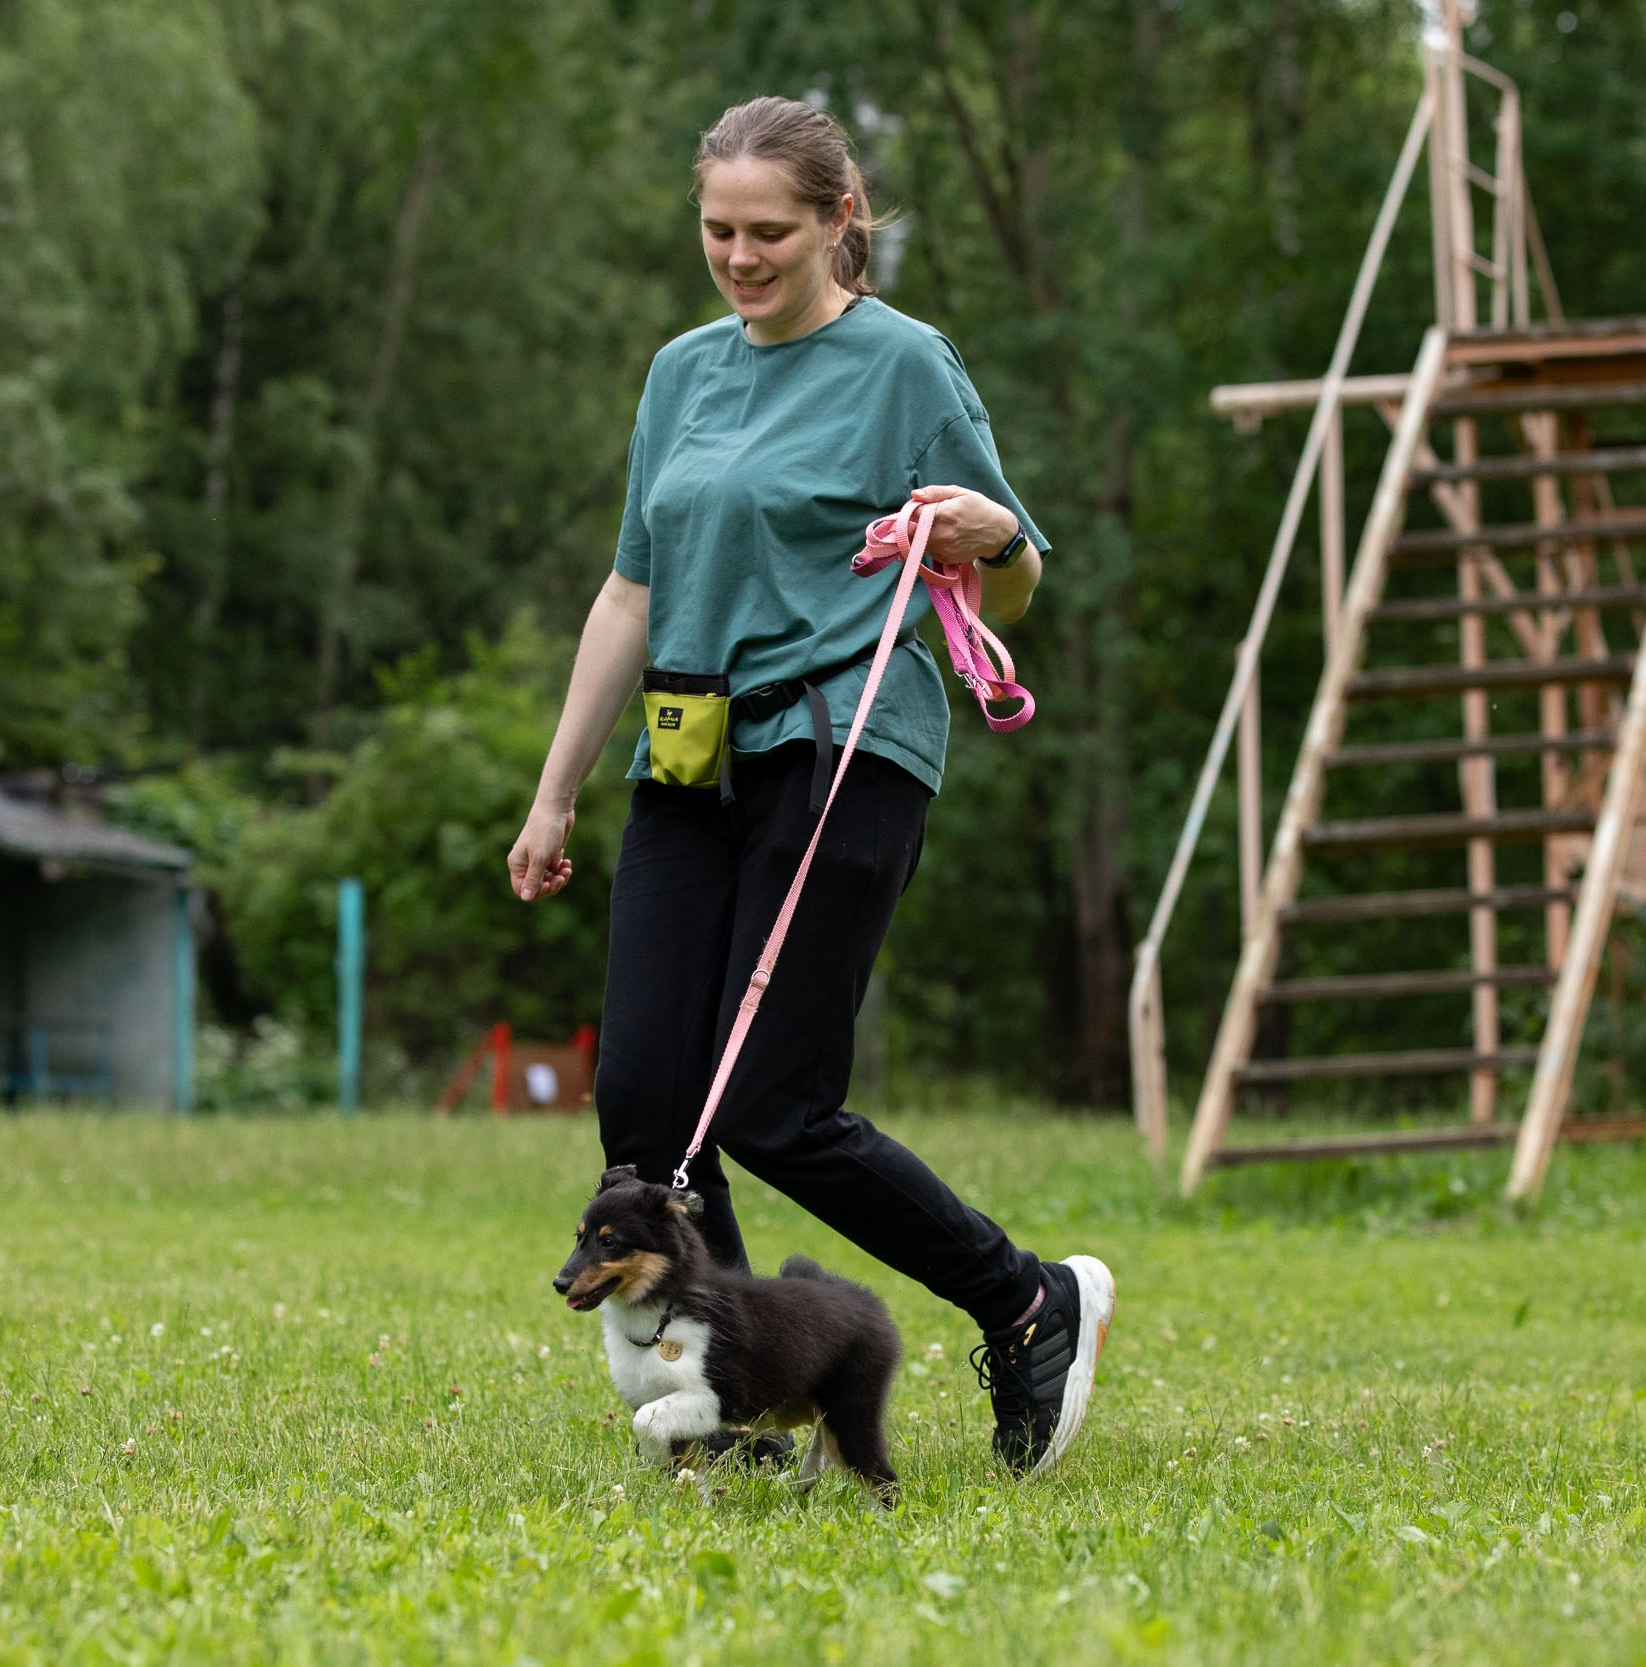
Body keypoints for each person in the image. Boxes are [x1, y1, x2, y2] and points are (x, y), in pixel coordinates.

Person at [506, 95, 1112, 1477]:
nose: (739, 254)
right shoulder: (681, 374)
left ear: (843, 222)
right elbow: (630, 590)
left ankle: (1027, 1303)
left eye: (769, 230)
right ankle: (722, 1400)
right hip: (691, 753)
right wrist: (554, 794)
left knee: (774, 1105)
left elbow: (1010, 571)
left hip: (844, 747)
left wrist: (991, 529)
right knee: (651, 1112)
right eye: (718, 229)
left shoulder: (907, 366)